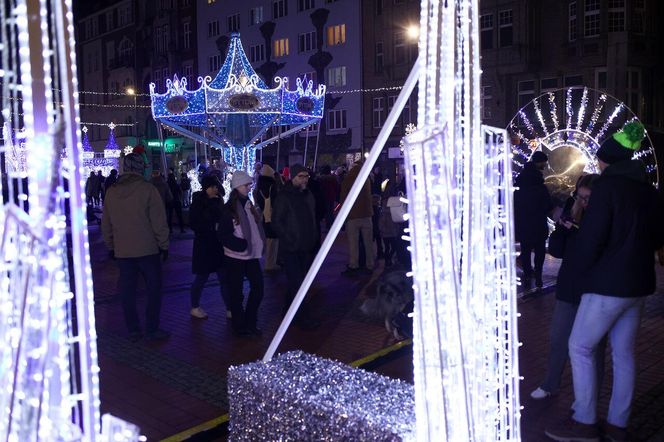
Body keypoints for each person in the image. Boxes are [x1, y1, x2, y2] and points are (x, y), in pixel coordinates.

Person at [545, 122, 664, 442]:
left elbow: (590, 241)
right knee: (624, 354)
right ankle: (617, 423)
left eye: (599, 159)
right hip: (639, 284)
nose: (596, 163)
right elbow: (657, 237)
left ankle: (584, 419)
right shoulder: (648, 191)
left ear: (607, 160)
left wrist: (580, 274)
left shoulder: (607, 189)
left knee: (579, 345)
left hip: (607, 285)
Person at [530, 174, 606, 401]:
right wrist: (563, 229)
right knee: (558, 338)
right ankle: (550, 383)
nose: (582, 202)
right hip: (569, 286)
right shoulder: (573, 213)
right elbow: (557, 251)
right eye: (579, 197)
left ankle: (590, 396)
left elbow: (595, 251)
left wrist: (579, 231)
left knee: (593, 345)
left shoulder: (604, 217)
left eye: (587, 198)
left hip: (594, 289)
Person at [101, 153, 170, 342]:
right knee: (154, 290)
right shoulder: (148, 190)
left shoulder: (112, 192)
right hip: (148, 249)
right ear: (141, 167)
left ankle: (133, 329)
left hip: (123, 251)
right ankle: (151, 328)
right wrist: (164, 245)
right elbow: (159, 221)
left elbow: (106, 223)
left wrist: (111, 246)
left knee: (127, 291)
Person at [272, 164, 320, 330]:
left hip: (305, 246)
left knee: (296, 283)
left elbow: (312, 217)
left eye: (306, 176)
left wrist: (313, 238)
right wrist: (289, 239)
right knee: (299, 283)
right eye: (301, 176)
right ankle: (303, 317)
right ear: (292, 177)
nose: (304, 179)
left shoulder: (308, 195)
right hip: (291, 248)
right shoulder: (284, 196)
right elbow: (277, 221)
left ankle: (287, 310)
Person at [217, 171, 265, 336]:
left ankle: (250, 322)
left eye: (250, 184)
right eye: (246, 184)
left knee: (258, 288)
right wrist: (240, 244)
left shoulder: (249, 205)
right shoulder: (229, 209)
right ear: (238, 186)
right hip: (235, 256)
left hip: (251, 255)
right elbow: (223, 235)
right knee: (236, 293)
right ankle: (240, 327)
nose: (249, 187)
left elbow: (255, 227)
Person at [188, 175, 231, 319]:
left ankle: (230, 308)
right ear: (207, 187)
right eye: (213, 187)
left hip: (218, 245)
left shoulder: (219, 200)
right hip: (204, 245)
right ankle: (194, 306)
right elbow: (194, 223)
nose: (215, 189)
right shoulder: (198, 202)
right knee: (201, 278)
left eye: (216, 187)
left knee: (224, 277)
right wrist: (212, 226)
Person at [514, 150, 552, 289]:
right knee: (539, 250)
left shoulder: (520, 182)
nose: (545, 165)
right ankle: (538, 275)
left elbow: (515, 204)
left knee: (526, 250)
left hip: (524, 223)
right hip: (538, 223)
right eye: (544, 162)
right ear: (540, 162)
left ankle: (528, 274)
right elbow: (547, 205)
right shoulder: (540, 185)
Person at [339, 161, 374, 275]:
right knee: (368, 243)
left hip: (352, 217)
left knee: (353, 244)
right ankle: (370, 264)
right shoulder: (366, 180)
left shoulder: (347, 181)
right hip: (366, 215)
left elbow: (343, 199)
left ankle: (354, 265)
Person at [254, 164, 280, 272]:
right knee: (273, 241)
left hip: (264, 216)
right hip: (272, 216)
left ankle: (269, 262)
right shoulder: (272, 187)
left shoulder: (258, 188)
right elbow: (276, 202)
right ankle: (270, 264)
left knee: (269, 239)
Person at [318, 165, 339, 231]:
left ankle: (328, 226)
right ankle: (332, 225)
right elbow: (336, 186)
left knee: (327, 211)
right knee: (331, 211)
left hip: (325, 196)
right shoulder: (333, 178)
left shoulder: (321, 179)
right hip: (331, 196)